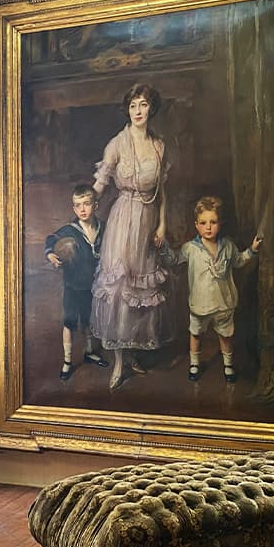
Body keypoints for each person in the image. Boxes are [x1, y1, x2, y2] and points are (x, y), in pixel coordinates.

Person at [89, 82, 175, 390]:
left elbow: (162, 193)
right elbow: (101, 182)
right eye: (133, 105)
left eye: (143, 105)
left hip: (149, 221)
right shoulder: (117, 143)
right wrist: (87, 203)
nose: (138, 111)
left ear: (151, 108)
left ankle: (135, 352)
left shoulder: (159, 146)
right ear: (127, 110)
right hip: (123, 219)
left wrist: (162, 226)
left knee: (143, 289)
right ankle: (119, 363)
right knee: (121, 285)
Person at [162, 195, 262, 383]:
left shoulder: (228, 246)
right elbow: (174, 260)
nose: (208, 227)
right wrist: (162, 248)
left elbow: (239, 261)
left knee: (226, 335)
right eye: (203, 223)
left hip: (224, 303)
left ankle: (228, 365)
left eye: (213, 222)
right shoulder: (190, 248)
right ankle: (194, 363)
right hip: (200, 304)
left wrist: (253, 250)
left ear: (220, 223)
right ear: (196, 225)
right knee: (196, 333)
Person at [45, 183, 108, 381]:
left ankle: (89, 352)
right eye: (78, 205)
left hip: (94, 285)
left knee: (89, 320)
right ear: (73, 208)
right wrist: (51, 255)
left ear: (95, 205)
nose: (82, 209)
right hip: (73, 284)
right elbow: (50, 240)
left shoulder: (103, 228)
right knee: (70, 322)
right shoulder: (69, 230)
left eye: (87, 204)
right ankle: (67, 361)